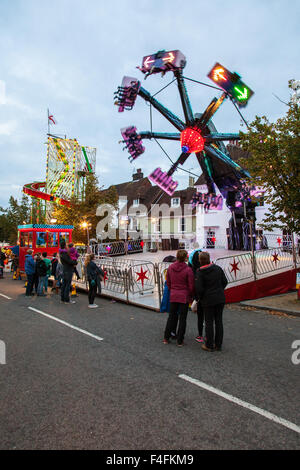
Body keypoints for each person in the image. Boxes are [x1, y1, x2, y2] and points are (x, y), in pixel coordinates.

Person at [195, 252, 228, 352]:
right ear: (209, 259)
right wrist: (219, 290)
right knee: (219, 321)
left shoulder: (200, 272)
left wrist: (200, 298)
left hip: (208, 300)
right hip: (220, 298)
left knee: (209, 322)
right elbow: (225, 281)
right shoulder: (217, 268)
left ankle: (209, 345)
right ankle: (218, 344)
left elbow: (199, 288)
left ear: (200, 260)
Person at [163, 250, 194, 347]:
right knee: (182, 318)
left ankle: (166, 337)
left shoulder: (171, 267)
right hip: (184, 296)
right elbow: (191, 285)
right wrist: (190, 295)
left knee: (171, 317)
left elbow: (168, 281)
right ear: (185, 258)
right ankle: (180, 340)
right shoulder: (188, 269)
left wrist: (173, 289)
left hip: (174, 294)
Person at [188, 248, 205, 344]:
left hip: (199, 298)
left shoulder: (194, 272)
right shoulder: (214, 269)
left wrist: (195, 297)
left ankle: (201, 335)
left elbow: (194, 287)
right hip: (210, 298)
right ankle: (210, 336)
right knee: (210, 318)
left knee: (200, 317)